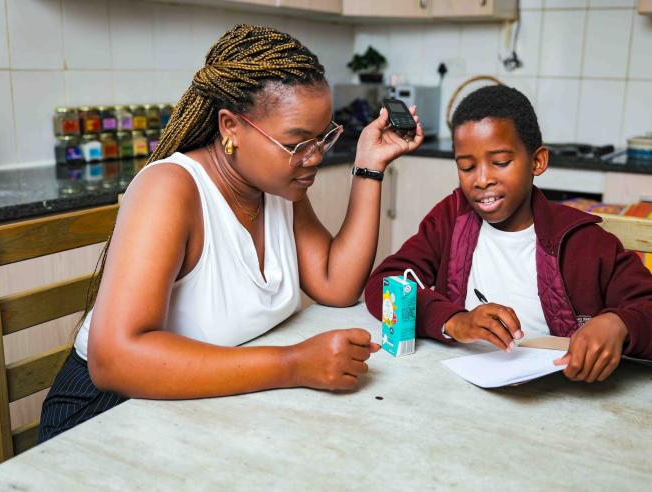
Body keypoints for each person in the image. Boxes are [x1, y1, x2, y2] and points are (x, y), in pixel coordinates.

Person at [39, 24, 423, 442]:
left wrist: (370, 166)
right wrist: (293, 364)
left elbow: (337, 284)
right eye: (297, 143)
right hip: (109, 414)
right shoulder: (170, 190)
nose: (313, 157)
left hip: (203, 410)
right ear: (230, 127)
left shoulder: (277, 184)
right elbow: (115, 359)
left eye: (322, 138)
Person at [364, 85, 652, 383]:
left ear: (537, 162)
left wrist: (619, 323)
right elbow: (384, 284)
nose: (481, 179)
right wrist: (454, 320)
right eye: (467, 166)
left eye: (499, 162)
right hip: (464, 393)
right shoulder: (451, 219)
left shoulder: (583, 242)